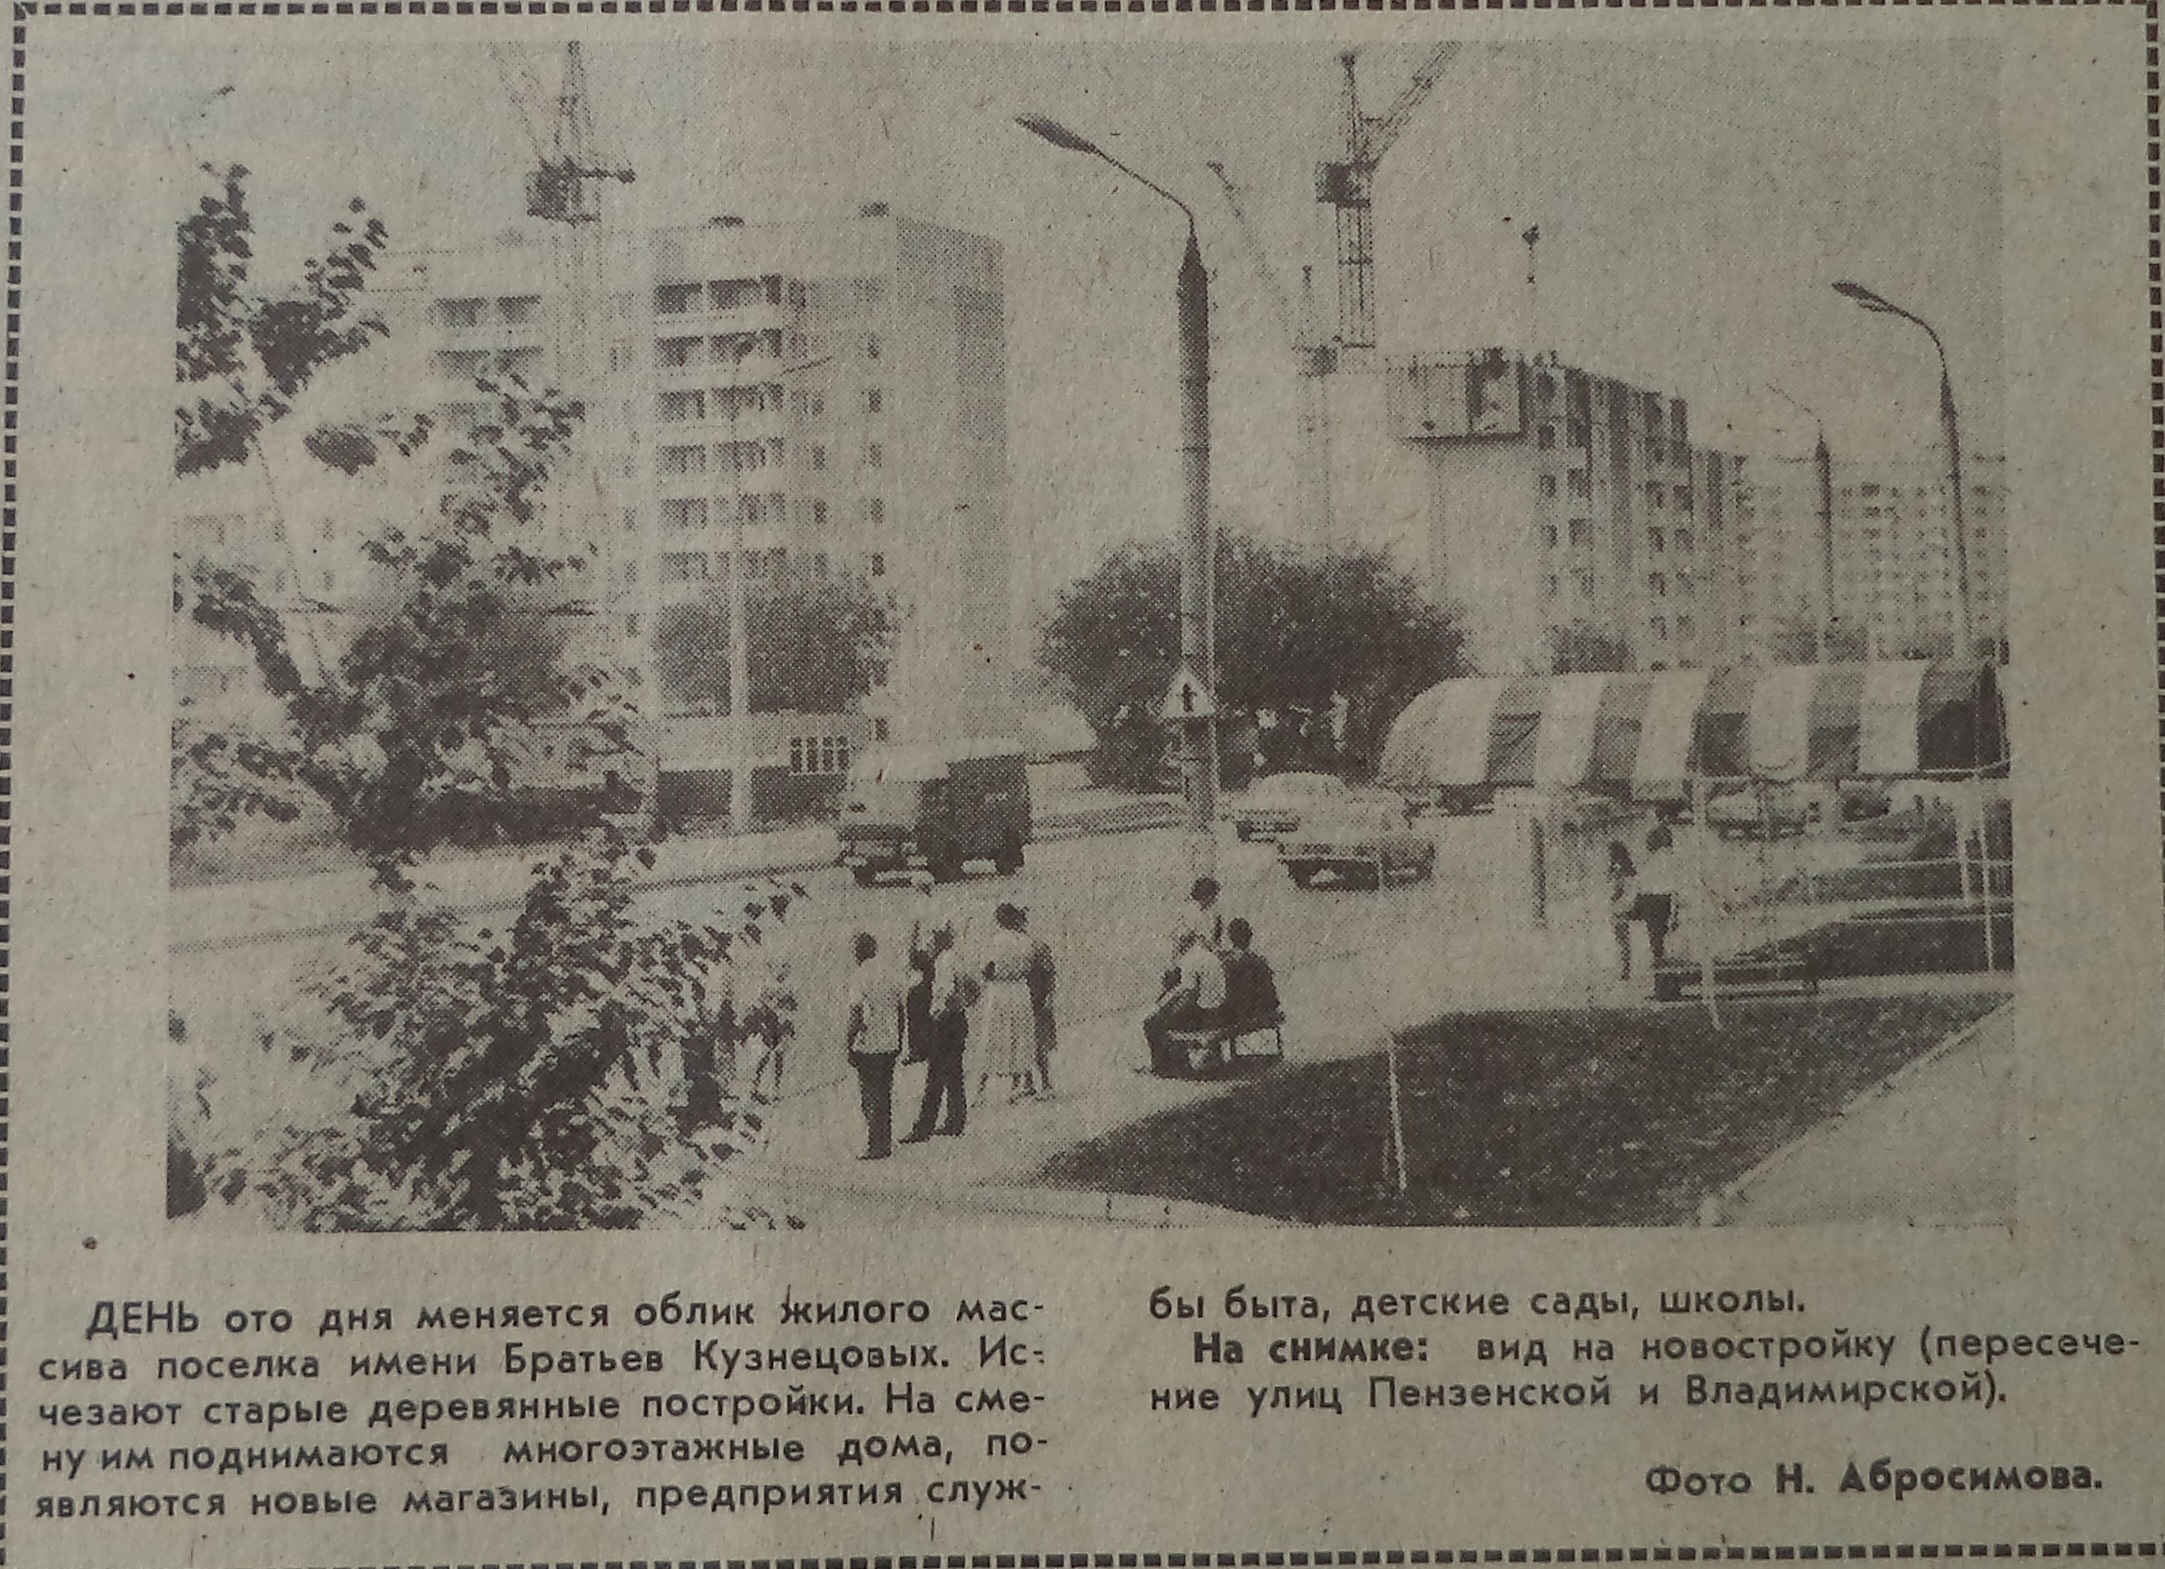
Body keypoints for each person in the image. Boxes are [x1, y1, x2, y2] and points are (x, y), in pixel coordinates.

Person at [902, 922, 970, 1141]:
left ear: (941, 939)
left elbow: (947, 992)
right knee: (954, 1073)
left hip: (945, 1023)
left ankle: (923, 1128)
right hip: (958, 1020)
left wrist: (938, 1015)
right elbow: (972, 987)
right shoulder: (957, 957)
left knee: (935, 1075)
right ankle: (955, 1120)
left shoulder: (943, 962)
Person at [843, 932, 907, 1160]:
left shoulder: (859, 976)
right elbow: (901, 1010)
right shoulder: (891, 972)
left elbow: (856, 1013)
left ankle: (876, 1144)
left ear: (859, 952)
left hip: (868, 1043)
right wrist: (900, 1038)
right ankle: (884, 1141)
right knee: (884, 1093)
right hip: (890, 1042)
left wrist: (848, 1043)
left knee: (869, 1095)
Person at [976, 903, 1038, 1104]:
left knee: (994, 1035)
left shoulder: (995, 941)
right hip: (1020, 989)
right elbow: (1030, 967)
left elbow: (987, 968)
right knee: (1019, 1035)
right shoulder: (1025, 941)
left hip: (1000, 990)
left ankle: (982, 1088)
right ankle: (1017, 1084)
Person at [1143, 929, 1226, 1078]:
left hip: (1205, 1014)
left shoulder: (1190, 960)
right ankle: (1175, 1063)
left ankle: (1162, 1067)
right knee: (1165, 1016)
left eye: (1176, 942)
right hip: (1218, 1010)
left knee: (1151, 1022)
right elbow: (1185, 989)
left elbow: (1189, 994)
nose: (1174, 946)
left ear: (1183, 943)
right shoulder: (1208, 955)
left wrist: (1166, 1009)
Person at [1023, 909, 1057, 1100]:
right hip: (1026, 998)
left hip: (1037, 999)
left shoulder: (1037, 946)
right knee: (1025, 1043)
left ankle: (1045, 1083)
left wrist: (1050, 998)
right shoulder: (1026, 946)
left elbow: (1050, 974)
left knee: (1038, 1044)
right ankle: (1028, 1083)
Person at [1220, 917, 1280, 1025]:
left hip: (1235, 1014)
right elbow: (1272, 998)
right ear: (1250, 936)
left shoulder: (1226, 962)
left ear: (1230, 937)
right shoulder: (1260, 962)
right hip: (1257, 1012)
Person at [1634, 825, 1678, 971]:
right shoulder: (1670, 856)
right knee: (1664, 929)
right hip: (1663, 896)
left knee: (1654, 930)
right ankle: (1662, 956)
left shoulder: (1648, 858)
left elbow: (1640, 879)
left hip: (1649, 897)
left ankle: (1658, 957)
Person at [1606, 841, 1639, 980]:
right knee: (1624, 937)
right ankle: (1626, 968)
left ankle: (1625, 969)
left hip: (1619, 905)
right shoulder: (1629, 866)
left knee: (1621, 938)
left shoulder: (1618, 867)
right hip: (1628, 903)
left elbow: (1617, 887)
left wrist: (1612, 900)